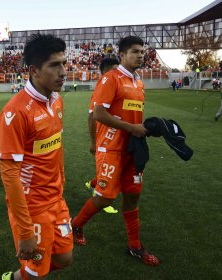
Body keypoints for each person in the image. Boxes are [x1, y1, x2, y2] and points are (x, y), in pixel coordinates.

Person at [71, 36, 160, 266]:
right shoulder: (111, 79)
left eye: (142, 51)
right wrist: (132, 128)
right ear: (122, 54)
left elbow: (133, 114)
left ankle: (135, 245)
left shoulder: (139, 82)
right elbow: (98, 114)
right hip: (111, 148)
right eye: (134, 51)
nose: (140, 55)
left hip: (133, 150)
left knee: (132, 196)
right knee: (105, 197)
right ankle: (76, 225)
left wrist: (147, 127)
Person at [0, 33, 73, 280]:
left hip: (55, 198)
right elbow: (9, 174)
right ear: (33, 70)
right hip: (32, 207)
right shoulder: (16, 112)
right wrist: (25, 230)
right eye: (54, 65)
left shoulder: (57, 100)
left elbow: (56, 147)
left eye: (63, 63)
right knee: (35, 273)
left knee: (64, 258)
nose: (63, 71)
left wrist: (61, 181)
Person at [87, 57, 120, 214]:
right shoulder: (101, 88)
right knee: (106, 174)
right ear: (105, 71)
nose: (117, 73)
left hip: (113, 138)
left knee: (111, 172)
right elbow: (92, 116)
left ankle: (92, 185)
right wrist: (93, 142)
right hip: (104, 140)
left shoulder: (112, 86)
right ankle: (101, 198)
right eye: (114, 70)